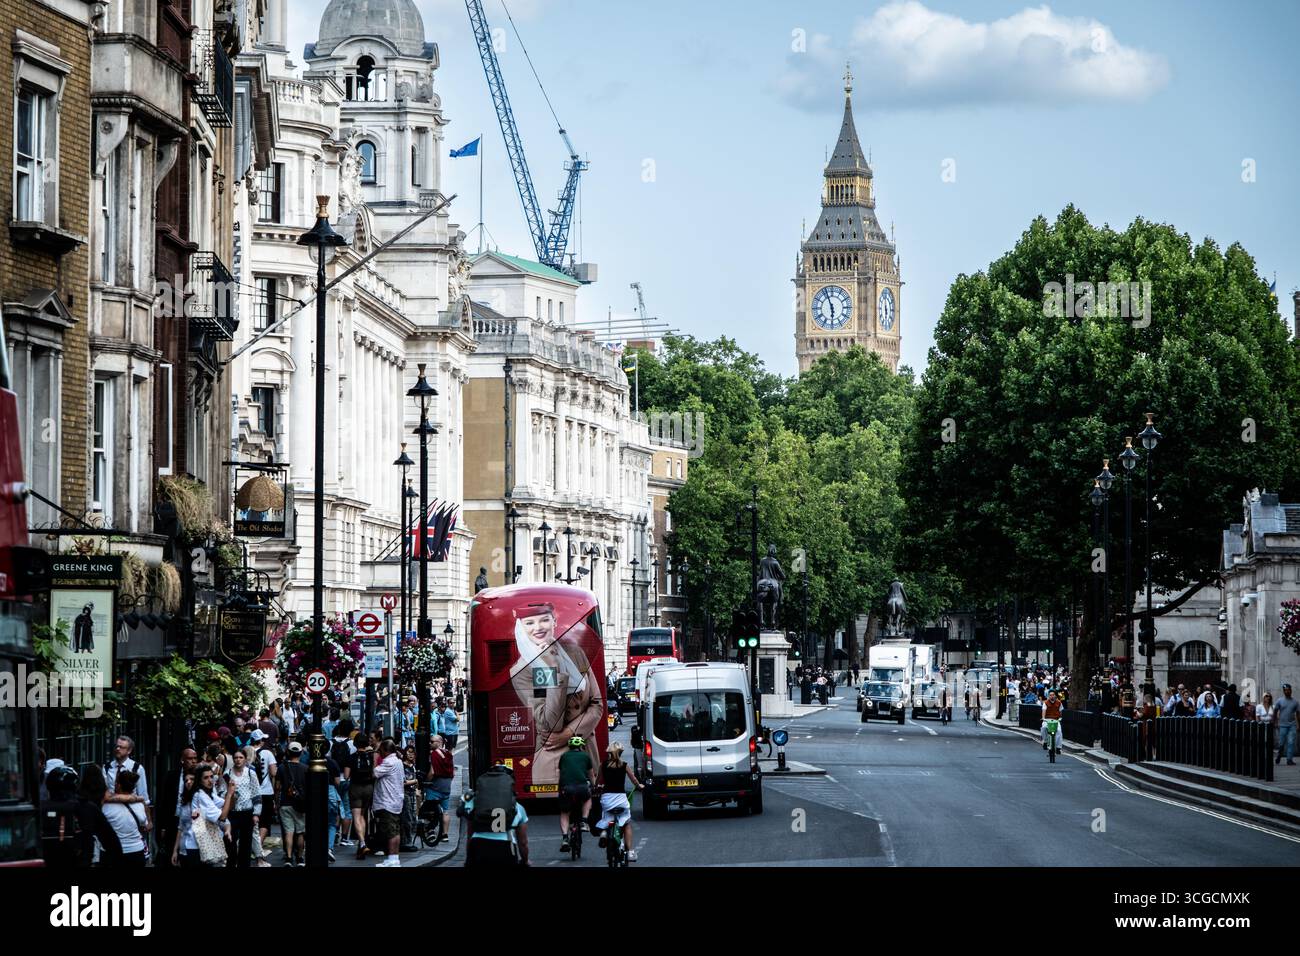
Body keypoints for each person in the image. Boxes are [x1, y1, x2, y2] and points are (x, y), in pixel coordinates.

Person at [506, 602, 604, 789]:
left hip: (588, 758)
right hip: (553, 764)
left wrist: (569, 733)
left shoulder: (574, 652)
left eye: (544, 620)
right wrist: (553, 670)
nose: (538, 627)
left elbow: (597, 703)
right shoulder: (521, 670)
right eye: (529, 623)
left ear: (554, 622)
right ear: (520, 627)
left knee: (589, 813)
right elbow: (550, 723)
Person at [464, 763, 529, 867]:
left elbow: (469, 836)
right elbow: (523, 842)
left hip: (477, 846)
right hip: (504, 848)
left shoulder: (474, 804)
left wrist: (468, 859)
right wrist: (525, 861)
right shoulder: (517, 808)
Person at [594, 742, 644, 862]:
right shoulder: (624, 765)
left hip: (607, 799)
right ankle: (630, 852)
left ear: (609, 752)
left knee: (606, 818)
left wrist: (597, 787)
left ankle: (604, 833)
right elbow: (633, 779)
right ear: (621, 753)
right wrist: (639, 785)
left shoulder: (603, 765)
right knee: (626, 823)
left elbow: (598, 780)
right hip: (621, 799)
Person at [156, 747, 198, 868]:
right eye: (190, 758)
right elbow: (164, 802)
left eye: (195, 758)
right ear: (182, 760)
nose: (193, 761)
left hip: (192, 822)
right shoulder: (172, 776)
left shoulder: (201, 777)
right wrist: (163, 826)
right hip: (173, 820)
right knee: (170, 854)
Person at [102, 770, 151, 867]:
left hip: (112, 853)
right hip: (136, 852)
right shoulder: (140, 805)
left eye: (116, 782)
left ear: (119, 785)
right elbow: (144, 825)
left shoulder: (106, 806)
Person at [222, 748, 262, 867]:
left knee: (246, 844)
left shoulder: (250, 773)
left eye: (241, 757)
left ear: (245, 759)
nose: (238, 760)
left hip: (247, 812)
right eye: (236, 757)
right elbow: (221, 792)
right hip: (232, 813)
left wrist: (256, 813)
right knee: (230, 843)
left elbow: (256, 793)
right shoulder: (227, 774)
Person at [557, 734, 596, 853]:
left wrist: (560, 788)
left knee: (565, 813)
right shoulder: (585, 756)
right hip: (582, 787)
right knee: (588, 798)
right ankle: (584, 821)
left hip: (567, 788)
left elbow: (561, 773)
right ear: (581, 747)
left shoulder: (564, 756)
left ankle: (564, 838)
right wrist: (594, 786)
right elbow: (591, 774)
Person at [371, 737, 406, 867]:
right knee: (395, 831)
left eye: (380, 751)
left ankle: (392, 860)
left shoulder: (388, 762)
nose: (379, 753)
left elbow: (374, 773)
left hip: (387, 801)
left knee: (391, 832)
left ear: (386, 751)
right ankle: (394, 858)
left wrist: (375, 759)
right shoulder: (398, 761)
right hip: (396, 801)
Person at [104, 735, 152, 829]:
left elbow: (143, 795)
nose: (118, 749)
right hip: (112, 811)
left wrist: (148, 821)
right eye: (116, 746)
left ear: (129, 751)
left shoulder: (137, 768)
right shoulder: (107, 768)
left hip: (131, 811)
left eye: (121, 747)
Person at [346, 733, 377, 858]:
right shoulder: (371, 757)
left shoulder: (351, 757)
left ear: (355, 743)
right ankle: (361, 845)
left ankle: (363, 843)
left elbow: (347, 775)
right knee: (363, 815)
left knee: (357, 816)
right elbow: (374, 773)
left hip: (356, 788)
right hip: (369, 788)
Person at [278, 741, 308, 865]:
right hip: (300, 804)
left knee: (288, 832)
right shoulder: (305, 768)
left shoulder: (281, 767)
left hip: (285, 803)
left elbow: (277, 787)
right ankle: (300, 858)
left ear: (288, 752)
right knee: (300, 832)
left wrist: (276, 802)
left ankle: (289, 858)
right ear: (301, 753)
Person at [424, 735, 454, 843]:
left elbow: (432, 772)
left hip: (436, 785)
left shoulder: (434, 754)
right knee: (445, 811)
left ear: (439, 742)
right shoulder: (448, 754)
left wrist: (426, 782)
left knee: (430, 809)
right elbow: (452, 772)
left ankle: (431, 830)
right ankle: (445, 835)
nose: (430, 743)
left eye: (432, 741)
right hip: (447, 786)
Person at [253, 731, 277, 856]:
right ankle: (258, 847)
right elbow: (273, 773)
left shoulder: (246, 752)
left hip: (251, 792)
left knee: (253, 819)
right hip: (266, 791)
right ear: (261, 740)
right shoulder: (268, 753)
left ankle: (252, 845)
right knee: (265, 820)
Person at [399, 746, 420, 852]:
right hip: (405, 794)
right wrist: (415, 781)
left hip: (412, 794)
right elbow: (402, 782)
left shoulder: (414, 766)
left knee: (412, 818)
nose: (411, 755)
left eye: (413, 753)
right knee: (406, 818)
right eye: (409, 752)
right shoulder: (402, 766)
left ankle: (408, 840)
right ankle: (405, 842)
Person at [1275, 683, 1298, 766]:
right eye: (1285, 690)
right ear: (1283, 691)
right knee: (1281, 743)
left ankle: (1289, 760)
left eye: (1288, 690)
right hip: (1282, 725)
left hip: (1292, 725)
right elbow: (1275, 712)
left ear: (1291, 690)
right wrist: (1275, 722)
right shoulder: (1279, 701)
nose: (1287, 691)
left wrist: (1298, 725)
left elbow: (1298, 714)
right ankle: (1279, 755)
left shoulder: (1295, 702)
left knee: (1291, 742)